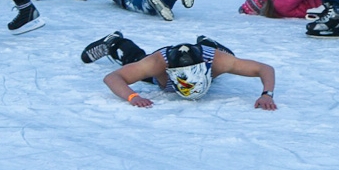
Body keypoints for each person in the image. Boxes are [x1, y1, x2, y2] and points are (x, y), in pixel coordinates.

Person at [81, 32, 277, 110]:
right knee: (136, 60)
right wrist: (132, 96)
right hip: (160, 69)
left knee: (230, 55)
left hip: (209, 56)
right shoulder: (158, 63)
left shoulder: (218, 61)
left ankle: (206, 42)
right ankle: (115, 43)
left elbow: (264, 68)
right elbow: (112, 78)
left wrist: (267, 94)